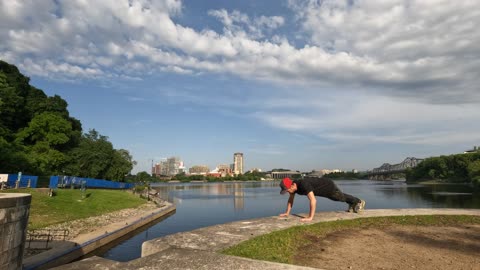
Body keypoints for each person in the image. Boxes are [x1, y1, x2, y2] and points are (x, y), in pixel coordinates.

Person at [279, 176, 366, 222]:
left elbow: (313, 200)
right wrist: (287, 213)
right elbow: (290, 200)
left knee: (339, 197)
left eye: (287, 190)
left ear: (292, 185)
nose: (288, 192)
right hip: (321, 190)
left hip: (328, 186)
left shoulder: (303, 184)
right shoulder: (293, 188)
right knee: (338, 198)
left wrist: (310, 217)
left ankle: (359, 202)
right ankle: (352, 203)